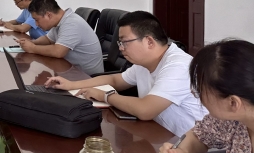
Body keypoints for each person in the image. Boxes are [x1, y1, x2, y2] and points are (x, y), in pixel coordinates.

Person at [46, 11, 207, 137]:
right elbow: (114, 80)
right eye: (119, 42)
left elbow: (145, 109)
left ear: (149, 41)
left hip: (193, 150)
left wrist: (106, 96)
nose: (120, 48)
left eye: (124, 42)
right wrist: (71, 85)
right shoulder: (145, 62)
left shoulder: (178, 66)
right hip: (161, 137)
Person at [159, 40, 254, 153]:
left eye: (201, 91)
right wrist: (183, 151)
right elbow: (199, 136)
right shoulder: (232, 120)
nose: (198, 96)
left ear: (233, 103)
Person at [16, 0, 103, 75]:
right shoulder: (60, 21)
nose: (36, 24)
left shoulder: (71, 23)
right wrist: (32, 42)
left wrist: (32, 48)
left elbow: (58, 51)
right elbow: (48, 39)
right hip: (70, 70)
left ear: (48, 15)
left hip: (87, 78)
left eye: (37, 20)